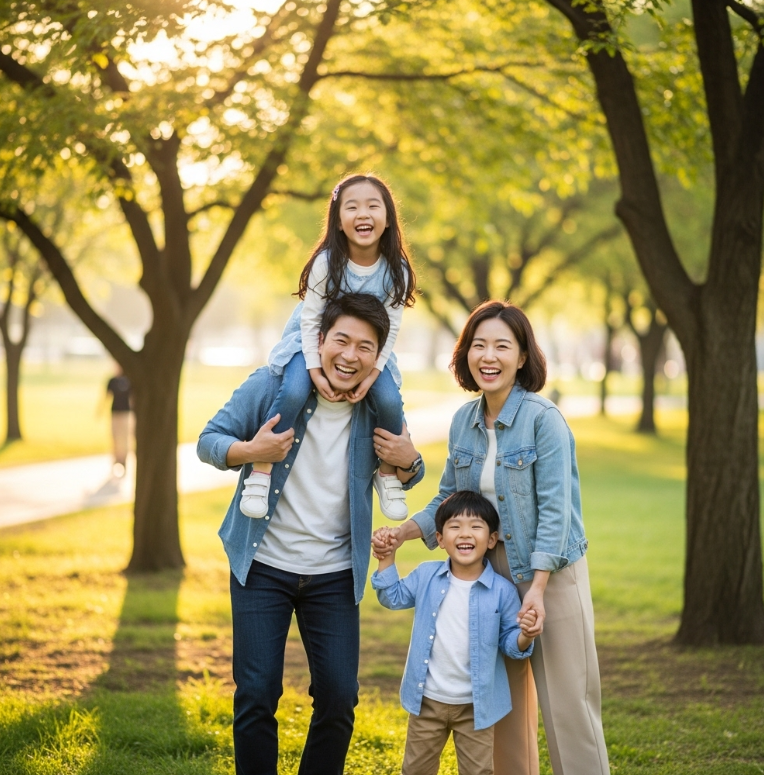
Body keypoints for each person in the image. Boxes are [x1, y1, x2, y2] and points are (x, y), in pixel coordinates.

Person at [373, 300, 610, 775]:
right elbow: (447, 498)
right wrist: (404, 531)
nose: (489, 356)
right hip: (488, 575)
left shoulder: (545, 421)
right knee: (503, 708)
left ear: (522, 357)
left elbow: (557, 513)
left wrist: (538, 589)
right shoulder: (463, 420)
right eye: (479, 344)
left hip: (552, 574)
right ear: (465, 354)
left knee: (568, 704)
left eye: (503, 345)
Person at [197, 293, 425, 775]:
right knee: (257, 695)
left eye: (365, 347)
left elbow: (407, 466)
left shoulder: (378, 406)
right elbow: (208, 441)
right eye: (340, 340)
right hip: (262, 567)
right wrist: (249, 449)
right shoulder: (273, 386)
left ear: (379, 355)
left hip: (334, 574)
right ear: (318, 341)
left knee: (340, 699)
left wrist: (412, 463)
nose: (350, 355)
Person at [240, 174, 417, 522]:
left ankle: (387, 473)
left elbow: (392, 327)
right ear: (338, 220)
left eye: (372, 206)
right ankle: (261, 472)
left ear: (388, 218)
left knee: (389, 400)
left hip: (370, 352)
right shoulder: (326, 263)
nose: (362, 214)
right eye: (351, 207)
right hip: (310, 343)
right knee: (292, 391)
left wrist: (373, 375)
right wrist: (314, 370)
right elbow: (309, 323)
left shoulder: (398, 271)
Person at [373, 490, 536, 775]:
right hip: (427, 701)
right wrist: (386, 558)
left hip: (476, 708)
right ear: (439, 539)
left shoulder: (503, 592)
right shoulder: (426, 576)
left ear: (492, 540)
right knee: (415, 769)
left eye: (476, 527)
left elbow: (511, 645)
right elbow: (393, 597)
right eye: (454, 526)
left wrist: (526, 634)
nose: (465, 534)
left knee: (478, 771)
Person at [99, 365, 132, 478]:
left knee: (125, 440)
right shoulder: (112, 381)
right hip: (115, 414)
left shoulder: (128, 380)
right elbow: (106, 396)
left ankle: (124, 462)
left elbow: (133, 398)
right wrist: (100, 410)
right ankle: (116, 462)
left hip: (126, 414)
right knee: (115, 438)